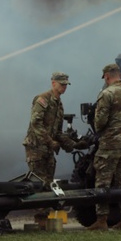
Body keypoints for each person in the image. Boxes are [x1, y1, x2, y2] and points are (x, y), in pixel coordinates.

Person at [23, 71, 86, 227]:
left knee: (48, 182)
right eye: (62, 84)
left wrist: (73, 144)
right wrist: (50, 142)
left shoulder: (59, 104)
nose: (64, 87)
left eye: (66, 84)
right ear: (53, 83)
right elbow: (36, 124)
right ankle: (40, 219)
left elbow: (57, 132)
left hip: (48, 148)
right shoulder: (43, 100)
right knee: (39, 182)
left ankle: (44, 217)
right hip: (36, 147)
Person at [86, 63, 121, 231]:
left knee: (103, 181)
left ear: (107, 76)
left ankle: (101, 220)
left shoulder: (107, 93)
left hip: (111, 144)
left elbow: (100, 122)